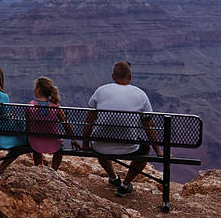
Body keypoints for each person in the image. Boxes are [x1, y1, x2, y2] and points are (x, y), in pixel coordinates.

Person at [82, 61, 161, 196]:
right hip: (129, 146)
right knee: (145, 149)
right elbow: (148, 125)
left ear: (113, 76)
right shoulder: (140, 94)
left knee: (97, 141)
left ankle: (113, 178)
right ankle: (124, 185)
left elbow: (89, 121)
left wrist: (84, 144)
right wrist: (159, 151)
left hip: (100, 145)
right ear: (129, 77)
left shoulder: (101, 90)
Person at [26, 77, 78, 170]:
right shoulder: (55, 106)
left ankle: (39, 168)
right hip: (53, 141)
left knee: (36, 147)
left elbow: (27, 123)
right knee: (60, 149)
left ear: (38, 89)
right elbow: (65, 124)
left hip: (35, 140)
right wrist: (73, 140)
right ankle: (54, 170)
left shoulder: (31, 105)